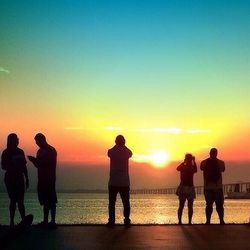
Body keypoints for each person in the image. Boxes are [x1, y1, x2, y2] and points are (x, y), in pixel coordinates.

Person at [28, 133, 57, 229]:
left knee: (51, 200)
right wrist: (34, 161)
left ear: (42, 140)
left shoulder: (51, 150)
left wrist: (35, 161)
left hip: (49, 178)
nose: (36, 143)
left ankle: (52, 221)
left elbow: (47, 163)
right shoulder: (39, 151)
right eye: (36, 141)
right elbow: (38, 165)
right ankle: (45, 221)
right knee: (44, 200)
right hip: (41, 178)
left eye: (37, 141)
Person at [1, 133, 29, 227]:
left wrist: (27, 178)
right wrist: (13, 166)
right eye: (16, 139)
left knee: (21, 201)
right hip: (10, 178)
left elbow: (24, 166)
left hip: (20, 178)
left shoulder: (21, 151)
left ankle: (23, 221)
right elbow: (3, 166)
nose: (18, 140)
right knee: (13, 199)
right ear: (12, 140)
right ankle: (11, 222)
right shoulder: (6, 152)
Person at [107, 135, 133, 226]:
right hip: (124, 182)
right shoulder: (126, 152)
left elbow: (109, 152)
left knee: (112, 203)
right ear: (124, 142)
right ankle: (126, 220)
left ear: (115, 142)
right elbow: (131, 153)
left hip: (113, 181)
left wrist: (116, 145)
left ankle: (111, 221)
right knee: (126, 202)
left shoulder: (112, 152)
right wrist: (124, 146)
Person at [200, 148, 225, 225]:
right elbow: (223, 169)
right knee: (220, 205)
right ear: (216, 153)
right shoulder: (221, 162)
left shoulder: (204, 162)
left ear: (209, 153)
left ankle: (208, 221)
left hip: (207, 187)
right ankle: (221, 221)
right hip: (218, 187)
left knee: (208, 205)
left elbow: (201, 168)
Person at [176, 153, 197, 225]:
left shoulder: (184, 166)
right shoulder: (189, 167)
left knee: (183, 206)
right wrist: (193, 161)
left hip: (186, 187)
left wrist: (184, 162)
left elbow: (178, 168)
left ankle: (183, 221)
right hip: (187, 187)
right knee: (187, 206)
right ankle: (187, 222)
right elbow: (177, 168)